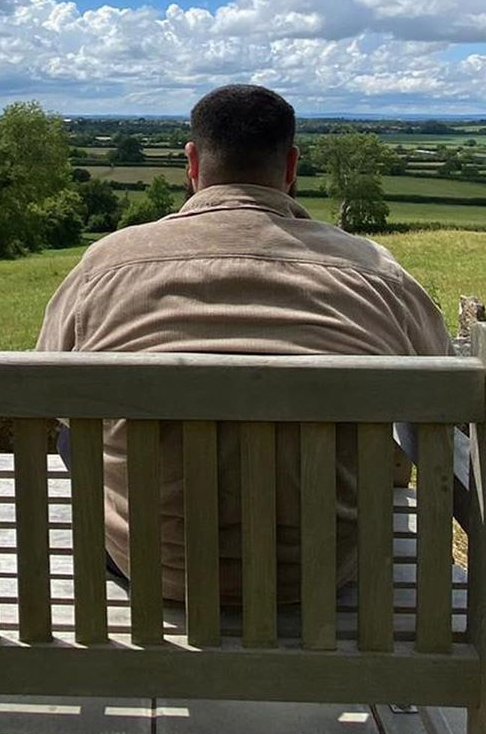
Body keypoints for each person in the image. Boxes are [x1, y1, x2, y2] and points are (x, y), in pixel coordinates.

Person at [36, 83, 452, 603]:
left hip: (154, 567)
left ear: (191, 163)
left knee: (74, 438)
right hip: (326, 571)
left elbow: (49, 395)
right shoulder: (375, 273)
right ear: (292, 165)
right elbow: (440, 397)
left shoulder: (106, 264)